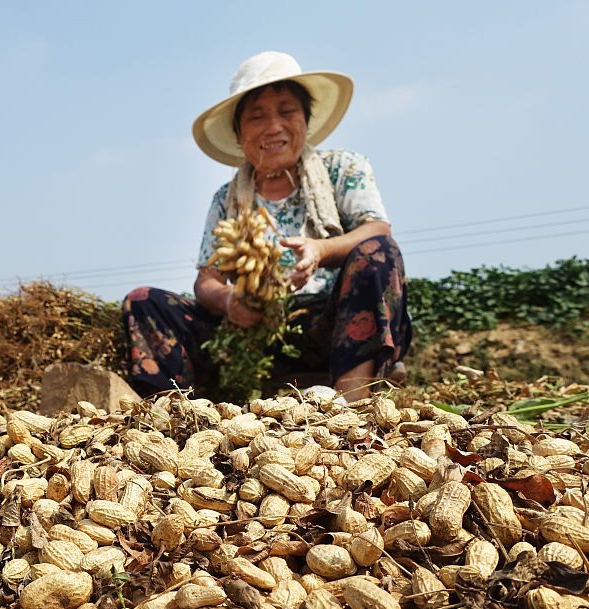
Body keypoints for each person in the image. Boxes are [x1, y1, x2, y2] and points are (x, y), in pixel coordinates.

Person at [123, 51, 411, 402]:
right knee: (144, 302)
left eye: (287, 111)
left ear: (305, 120)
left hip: (330, 325)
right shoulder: (227, 199)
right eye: (257, 117)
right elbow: (207, 279)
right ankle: (170, 415)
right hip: (252, 334)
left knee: (378, 254)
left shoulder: (343, 168)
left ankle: (352, 403)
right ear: (240, 136)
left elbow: (377, 230)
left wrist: (320, 250)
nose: (273, 126)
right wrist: (230, 300)